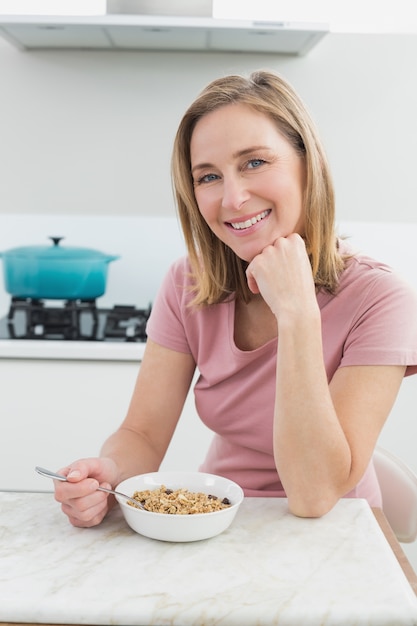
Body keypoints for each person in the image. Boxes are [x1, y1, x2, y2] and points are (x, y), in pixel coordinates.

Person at [54, 70, 417, 527]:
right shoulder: (188, 282)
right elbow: (142, 432)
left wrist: (298, 313)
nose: (233, 197)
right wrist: (111, 475)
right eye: (208, 176)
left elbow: (315, 495)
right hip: (219, 522)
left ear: (310, 165)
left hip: (340, 533)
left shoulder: (381, 299)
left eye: (255, 162)